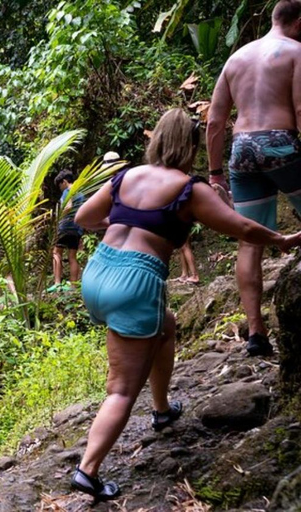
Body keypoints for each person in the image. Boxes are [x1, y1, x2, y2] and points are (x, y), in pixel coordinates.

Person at [71, 108, 301, 501]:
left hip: (96, 276)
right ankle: (87, 471)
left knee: (166, 323)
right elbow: (241, 227)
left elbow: (82, 217)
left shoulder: (124, 177)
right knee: (122, 389)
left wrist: (121, 225)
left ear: (156, 139)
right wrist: (279, 241)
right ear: (190, 145)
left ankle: (161, 410)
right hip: (134, 283)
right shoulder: (188, 189)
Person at [207, 0, 301, 356]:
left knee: (250, 241)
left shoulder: (237, 58)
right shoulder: (295, 52)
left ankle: (256, 333)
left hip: (242, 148)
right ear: (298, 23)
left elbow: (215, 122)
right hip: (279, 142)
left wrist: (216, 173)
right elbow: (300, 109)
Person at [48, 171, 85, 292]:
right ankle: (74, 286)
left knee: (56, 252)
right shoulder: (81, 194)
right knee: (72, 256)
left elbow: (68, 206)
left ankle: (57, 283)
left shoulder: (67, 191)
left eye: (60, 185)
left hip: (65, 227)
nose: (60, 188)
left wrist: (59, 218)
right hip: (77, 227)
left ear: (64, 181)